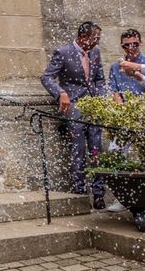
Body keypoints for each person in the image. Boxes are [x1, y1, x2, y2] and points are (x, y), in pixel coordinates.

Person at [41, 21, 108, 209]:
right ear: (83, 37)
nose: (97, 42)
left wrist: (101, 97)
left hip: (93, 106)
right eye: (95, 38)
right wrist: (61, 93)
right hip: (74, 107)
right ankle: (79, 190)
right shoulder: (63, 52)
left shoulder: (95, 52)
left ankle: (98, 193)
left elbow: (99, 79)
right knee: (78, 149)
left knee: (96, 150)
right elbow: (46, 77)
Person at [106, 29, 145, 212]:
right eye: (127, 45)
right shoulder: (115, 67)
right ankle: (123, 198)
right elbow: (115, 91)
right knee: (117, 154)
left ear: (140, 43)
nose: (131, 47)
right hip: (125, 116)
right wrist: (123, 111)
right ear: (122, 46)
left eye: (134, 43)